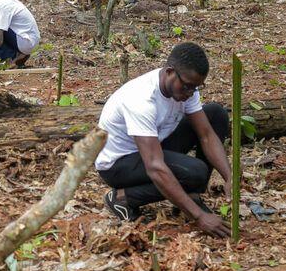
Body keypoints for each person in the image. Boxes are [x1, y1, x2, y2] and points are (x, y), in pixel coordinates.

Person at [97, 43, 232, 238]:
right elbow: (155, 166)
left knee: (215, 114)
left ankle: (192, 195)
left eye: (195, 88)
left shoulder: (186, 88)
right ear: (169, 72)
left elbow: (207, 135)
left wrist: (229, 177)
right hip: (118, 164)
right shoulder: (141, 100)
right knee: (196, 172)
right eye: (186, 86)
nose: (189, 93)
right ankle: (121, 198)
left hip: (152, 145)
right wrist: (198, 217)